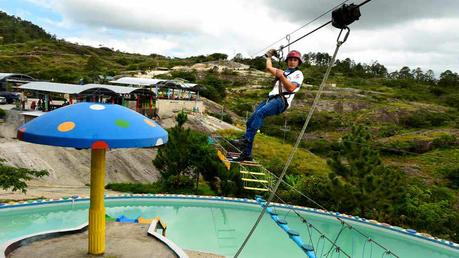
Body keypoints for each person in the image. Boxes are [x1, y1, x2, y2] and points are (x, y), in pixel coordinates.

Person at [232, 49, 304, 161]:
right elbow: (269, 68)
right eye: (290, 59)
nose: (292, 62)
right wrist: (269, 57)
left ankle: (245, 140)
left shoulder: (298, 74)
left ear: (298, 63)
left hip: (281, 100)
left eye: (295, 60)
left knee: (260, 114)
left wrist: (281, 77)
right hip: (271, 99)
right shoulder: (283, 72)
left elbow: (291, 88)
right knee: (250, 121)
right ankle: (247, 154)